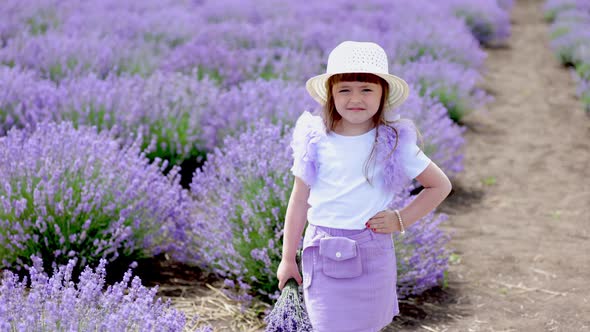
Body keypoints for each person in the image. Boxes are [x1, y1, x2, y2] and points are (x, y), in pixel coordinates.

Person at [276, 41, 453, 332]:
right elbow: (298, 201)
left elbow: (439, 185)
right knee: (326, 325)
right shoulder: (314, 139)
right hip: (321, 248)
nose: (355, 98)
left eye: (366, 89)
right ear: (331, 94)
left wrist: (400, 219)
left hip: (372, 248)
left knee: (367, 325)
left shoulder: (393, 142)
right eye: (344, 89)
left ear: (383, 94)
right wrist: (287, 258)